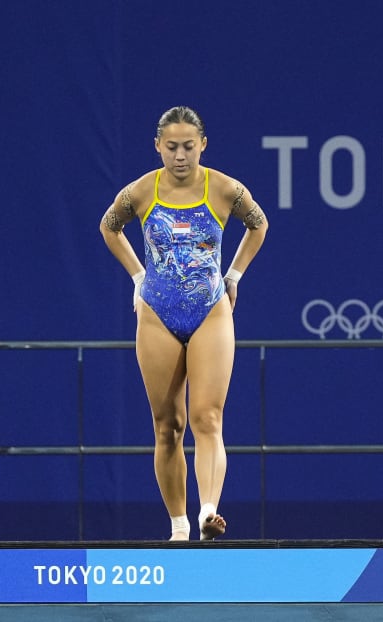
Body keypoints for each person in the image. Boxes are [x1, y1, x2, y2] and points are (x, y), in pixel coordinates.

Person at [99, 105, 268, 540]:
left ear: (203, 146)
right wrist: (138, 277)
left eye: (188, 147)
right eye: (171, 147)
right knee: (166, 427)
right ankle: (178, 527)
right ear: (157, 146)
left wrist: (233, 276)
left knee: (207, 418)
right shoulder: (141, 191)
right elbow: (109, 226)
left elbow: (259, 223)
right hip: (157, 313)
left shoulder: (224, 189)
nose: (179, 155)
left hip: (210, 310)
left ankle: (207, 512)